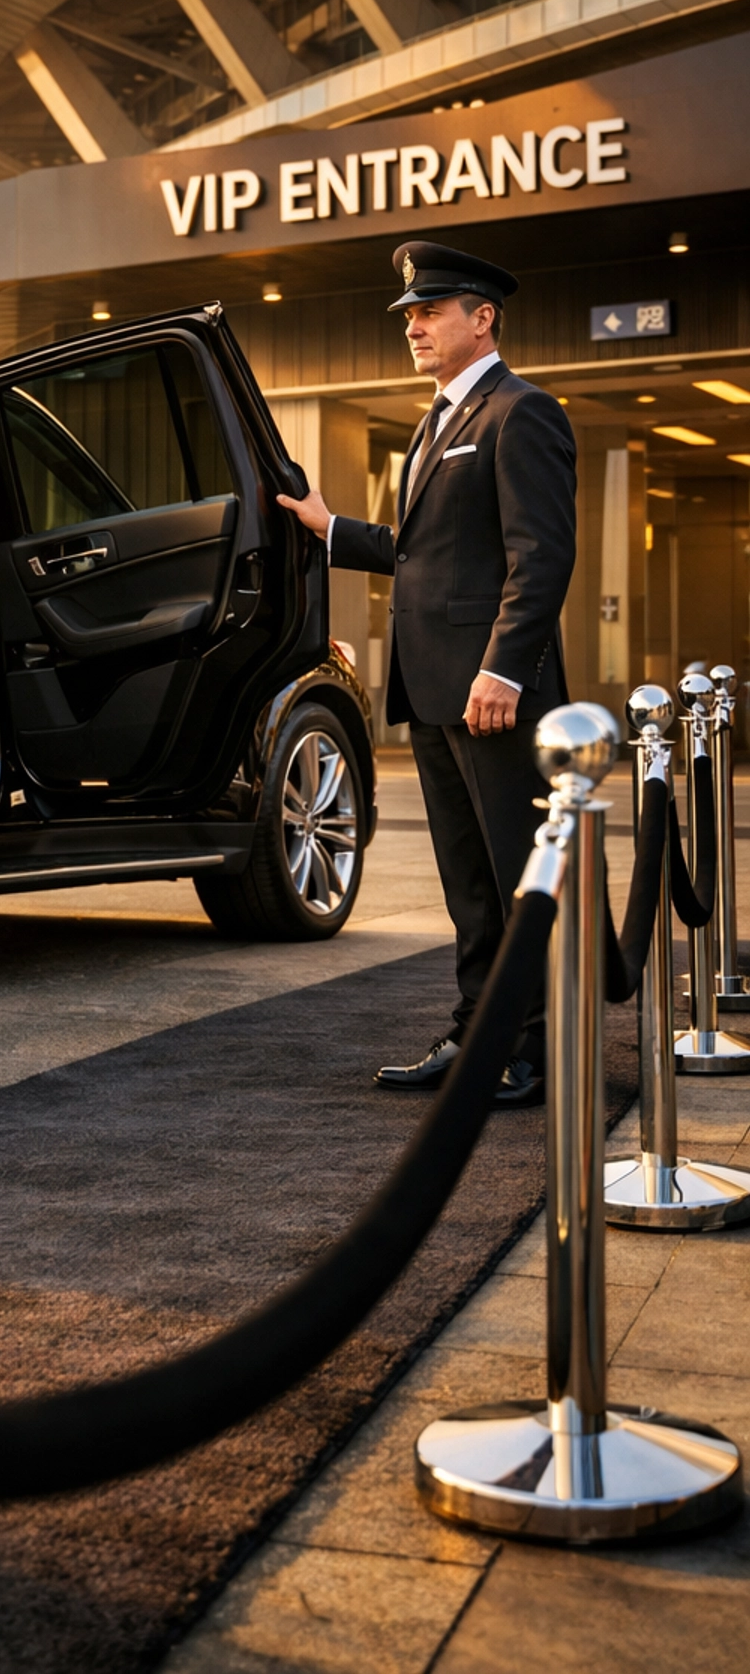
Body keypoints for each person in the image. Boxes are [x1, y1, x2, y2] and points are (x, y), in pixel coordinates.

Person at [278, 241, 575, 1107]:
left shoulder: (522, 414)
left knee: (517, 875)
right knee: (468, 880)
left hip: (492, 697)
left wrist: (505, 671)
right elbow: (424, 554)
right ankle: (479, 1030)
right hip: (441, 691)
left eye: (430, 309)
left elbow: (542, 557)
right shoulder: (438, 420)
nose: (414, 324)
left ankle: (531, 1051)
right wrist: (330, 527)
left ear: (483, 319)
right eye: (409, 313)